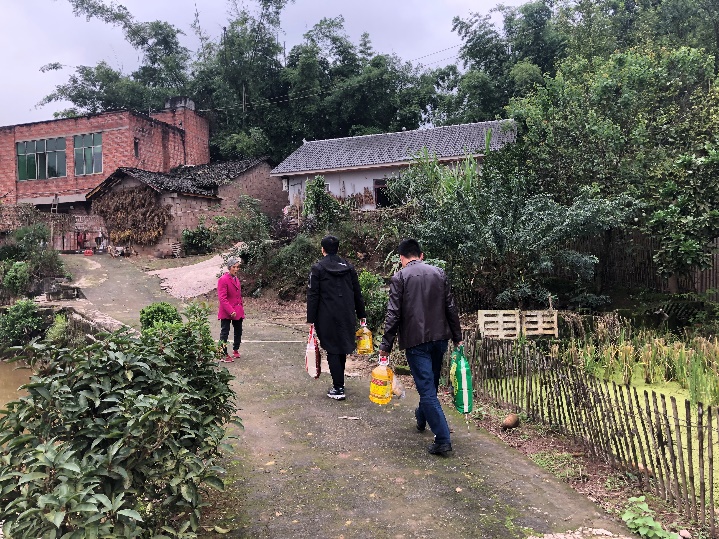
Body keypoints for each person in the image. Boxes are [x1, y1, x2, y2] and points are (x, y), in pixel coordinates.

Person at [379, 239, 463, 456]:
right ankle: (421, 416)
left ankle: (442, 439)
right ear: (421, 255)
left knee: (427, 389)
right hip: (440, 338)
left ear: (401, 258)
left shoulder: (400, 278)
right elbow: (450, 307)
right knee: (430, 386)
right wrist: (457, 337)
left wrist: (385, 345)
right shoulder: (439, 273)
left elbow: (393, 314)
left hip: (416, 341)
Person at [307, 235, 367, 400]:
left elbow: (313, 294)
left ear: (323, 250)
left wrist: (311, 319)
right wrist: (361, 315)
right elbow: (357, 293)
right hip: (347, 313)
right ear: (338, 249)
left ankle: (338, 388)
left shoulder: (318, 268)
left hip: (326, 315)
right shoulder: (348, 267)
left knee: (332, 348)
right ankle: (339, 383)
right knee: (341, 346)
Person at [217, 257, 245, 363]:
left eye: (237, 267)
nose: (236, 269)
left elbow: (238, 295)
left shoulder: (236, 279)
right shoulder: (223, 279)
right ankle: (222, 354)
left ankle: (235, 349)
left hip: (237, 310)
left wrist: (240, 308)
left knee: (238, 331)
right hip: (227, 310)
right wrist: (230, 310)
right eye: (234, 267)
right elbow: (222, 298)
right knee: (225, 332)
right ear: (229, 267)